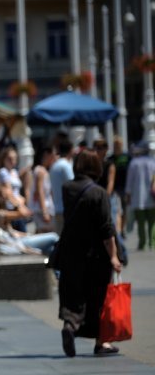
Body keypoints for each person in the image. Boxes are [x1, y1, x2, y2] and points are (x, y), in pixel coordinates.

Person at [58, 150, 123, 358]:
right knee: (98, 297)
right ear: (96, 167)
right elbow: (107, 229)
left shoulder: (67, 188)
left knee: (74, 293)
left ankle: (71, 324)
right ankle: (101, 342)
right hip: (96, 255)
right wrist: (113, 256)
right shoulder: (99, 193)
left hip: (71, 252)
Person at [124, 143, 155, 250]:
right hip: (152, 196)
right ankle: (152, 242)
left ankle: (142, 243)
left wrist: (128, 195)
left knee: (141, 222)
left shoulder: (134, 163)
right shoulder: (152, 162)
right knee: (152, 221)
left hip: (138, 197)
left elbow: (129, 181)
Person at [49, 137, 75, 235]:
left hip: (57, 208)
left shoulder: (54, 166)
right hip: (67, 210)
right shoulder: (66, 166)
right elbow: (73, 185)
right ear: (70, 150)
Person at [30, 146, 56, 233]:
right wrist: (45, 212)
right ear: (46, 155)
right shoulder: (40, 171)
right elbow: (40, 191)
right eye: (53, 155)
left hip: (45, 208)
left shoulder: (45, 170)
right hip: (42, 210)